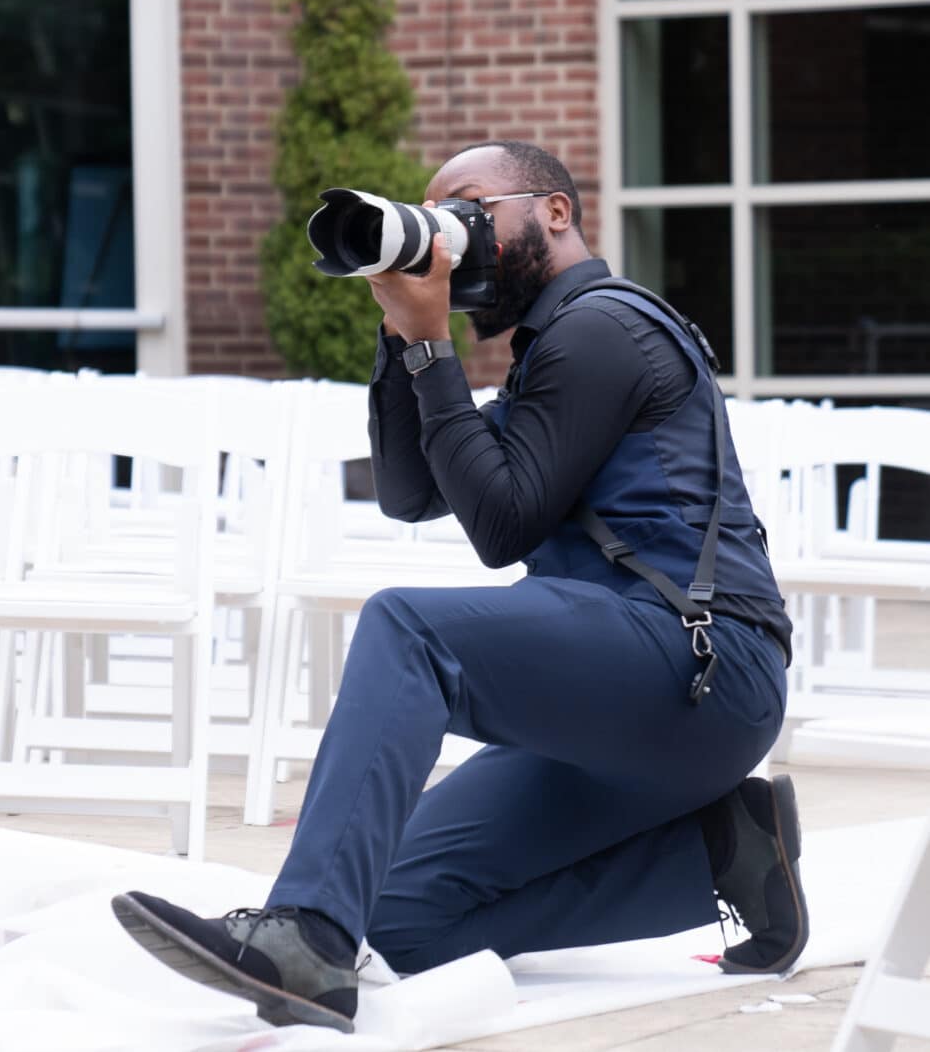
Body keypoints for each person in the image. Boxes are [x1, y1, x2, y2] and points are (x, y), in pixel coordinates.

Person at [112, 141, 807, 1035]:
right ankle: (722, 855)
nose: (456, 238)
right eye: (437, 217)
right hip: (622, 693)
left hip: (702, 663)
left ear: (555, 212)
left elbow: (502, 526)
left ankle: (306, 937)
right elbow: (409, 493)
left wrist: (435, 341)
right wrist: (405, 333)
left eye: (471, 209)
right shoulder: (549, 348)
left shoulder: (606, 328)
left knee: (408, 627)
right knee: (396, 919)